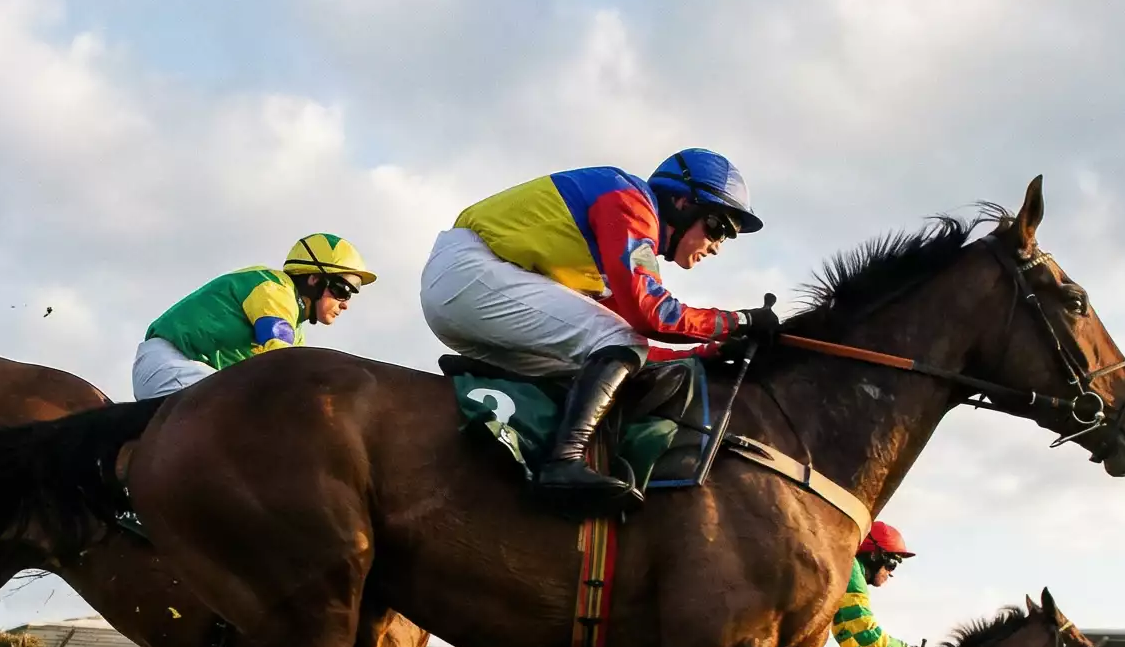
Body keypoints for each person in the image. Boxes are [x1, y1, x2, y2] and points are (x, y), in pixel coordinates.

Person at [421, 149, 779, 510]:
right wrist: (738, 321)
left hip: (471, 288)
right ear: (682, 203)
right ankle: (564, 462)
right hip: (469, 274)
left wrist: (706, 352)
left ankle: (493, 380)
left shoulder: (609, 256)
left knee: (610, 358)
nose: (716, 247)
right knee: (621, 341)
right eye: (718, 228)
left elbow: (624, 350)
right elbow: (651, 316)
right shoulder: (630, 202)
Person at [132, 234, 375, 399]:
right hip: (169, 362)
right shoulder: (273, 289)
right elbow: (280, 357)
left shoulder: (296, 330)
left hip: (197, 371)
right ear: (314, 279)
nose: (345, 304)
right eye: (343, 290)